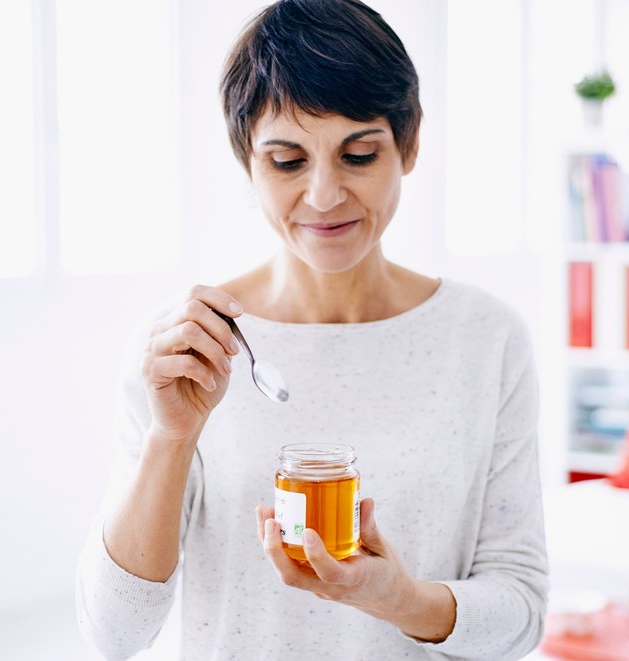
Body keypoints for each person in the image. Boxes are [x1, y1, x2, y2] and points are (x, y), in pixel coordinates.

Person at [76, 0, 548, 658]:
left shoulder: (487, 339)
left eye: (357, 155)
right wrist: (171, 435)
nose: (324, 195)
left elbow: (522, 612)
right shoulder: (187, 349)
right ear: (248, 162)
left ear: (408, 146)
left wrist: (398, 597)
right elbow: (112, 633)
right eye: (288, 161)